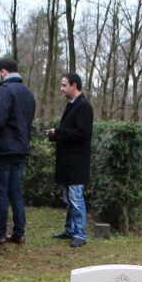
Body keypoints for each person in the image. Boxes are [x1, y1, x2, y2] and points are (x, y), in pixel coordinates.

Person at [0, 57, 35, 245]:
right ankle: (19, 232)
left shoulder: (5, 91)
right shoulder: (27, 92)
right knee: (15, 190)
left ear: (3, 72)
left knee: (1, 191)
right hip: (21, 147)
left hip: (3, 149)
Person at [47, 72, 92, 248]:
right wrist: (55, 134)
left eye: (64, 85)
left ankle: (80, 233)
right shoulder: (73, 105)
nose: (61, 88)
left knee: (76, 197)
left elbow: (81, 132)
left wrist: (58, 133)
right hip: (68, 161)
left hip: (77, 161)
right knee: (68, 197)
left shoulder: (84, 106)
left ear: (74, 85)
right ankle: (70, 229)